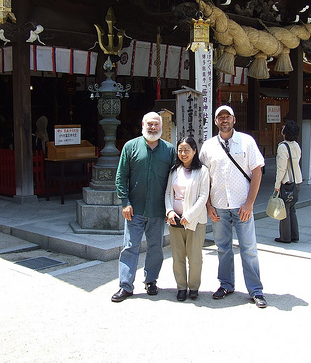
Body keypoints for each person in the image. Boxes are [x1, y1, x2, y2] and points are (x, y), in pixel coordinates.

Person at [199, 105, 267, 308]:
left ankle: (255, 290)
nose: (224, 120)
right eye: (220, 117)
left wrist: (249, 203)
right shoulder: (208, 146)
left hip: (241, 205)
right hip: (219, 205)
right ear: (215, 122)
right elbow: (203, 178)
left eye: (227, 116)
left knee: (248, 248)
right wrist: (208, 205)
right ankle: (226, 284)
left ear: (234, 120)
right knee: (223, 248)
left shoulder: (246, 142)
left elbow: (257, 172)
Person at [112, 112, 176, 302]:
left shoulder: (169, 150)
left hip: (158, 210)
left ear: (161, 126)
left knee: (156, 247)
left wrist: (170, 207)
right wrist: (125, 202)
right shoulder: (130, 147)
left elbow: (175, 180)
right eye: (149, 124)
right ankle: (125, 285)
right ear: (142, 124)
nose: (153, 127)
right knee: (130, 246)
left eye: (156, 124)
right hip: (135, 209)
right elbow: (121, 177)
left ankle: (151, 280)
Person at [165, 137, 209, 301]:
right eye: (180, 150)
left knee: (195, 256)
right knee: (177, 256)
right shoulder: (174, 170)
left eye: (187, 150)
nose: (183, 153)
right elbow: (169, 193)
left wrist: (189, 216)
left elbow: (203, 196)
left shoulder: (202, 171)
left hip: (195, 221)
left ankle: (194, 287)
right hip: (175, 221)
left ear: (195, 151)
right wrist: (169, 211)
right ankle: (181, 287)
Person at [274, 120, 303, 243]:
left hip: (286, 183)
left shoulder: (282, 147)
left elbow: (281, 168)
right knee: (292, 209)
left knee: (284, 210)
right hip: (297, 180)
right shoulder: (296, 145)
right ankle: (294, 235)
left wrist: (277, 184)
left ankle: (285, 237)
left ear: (285, 132)